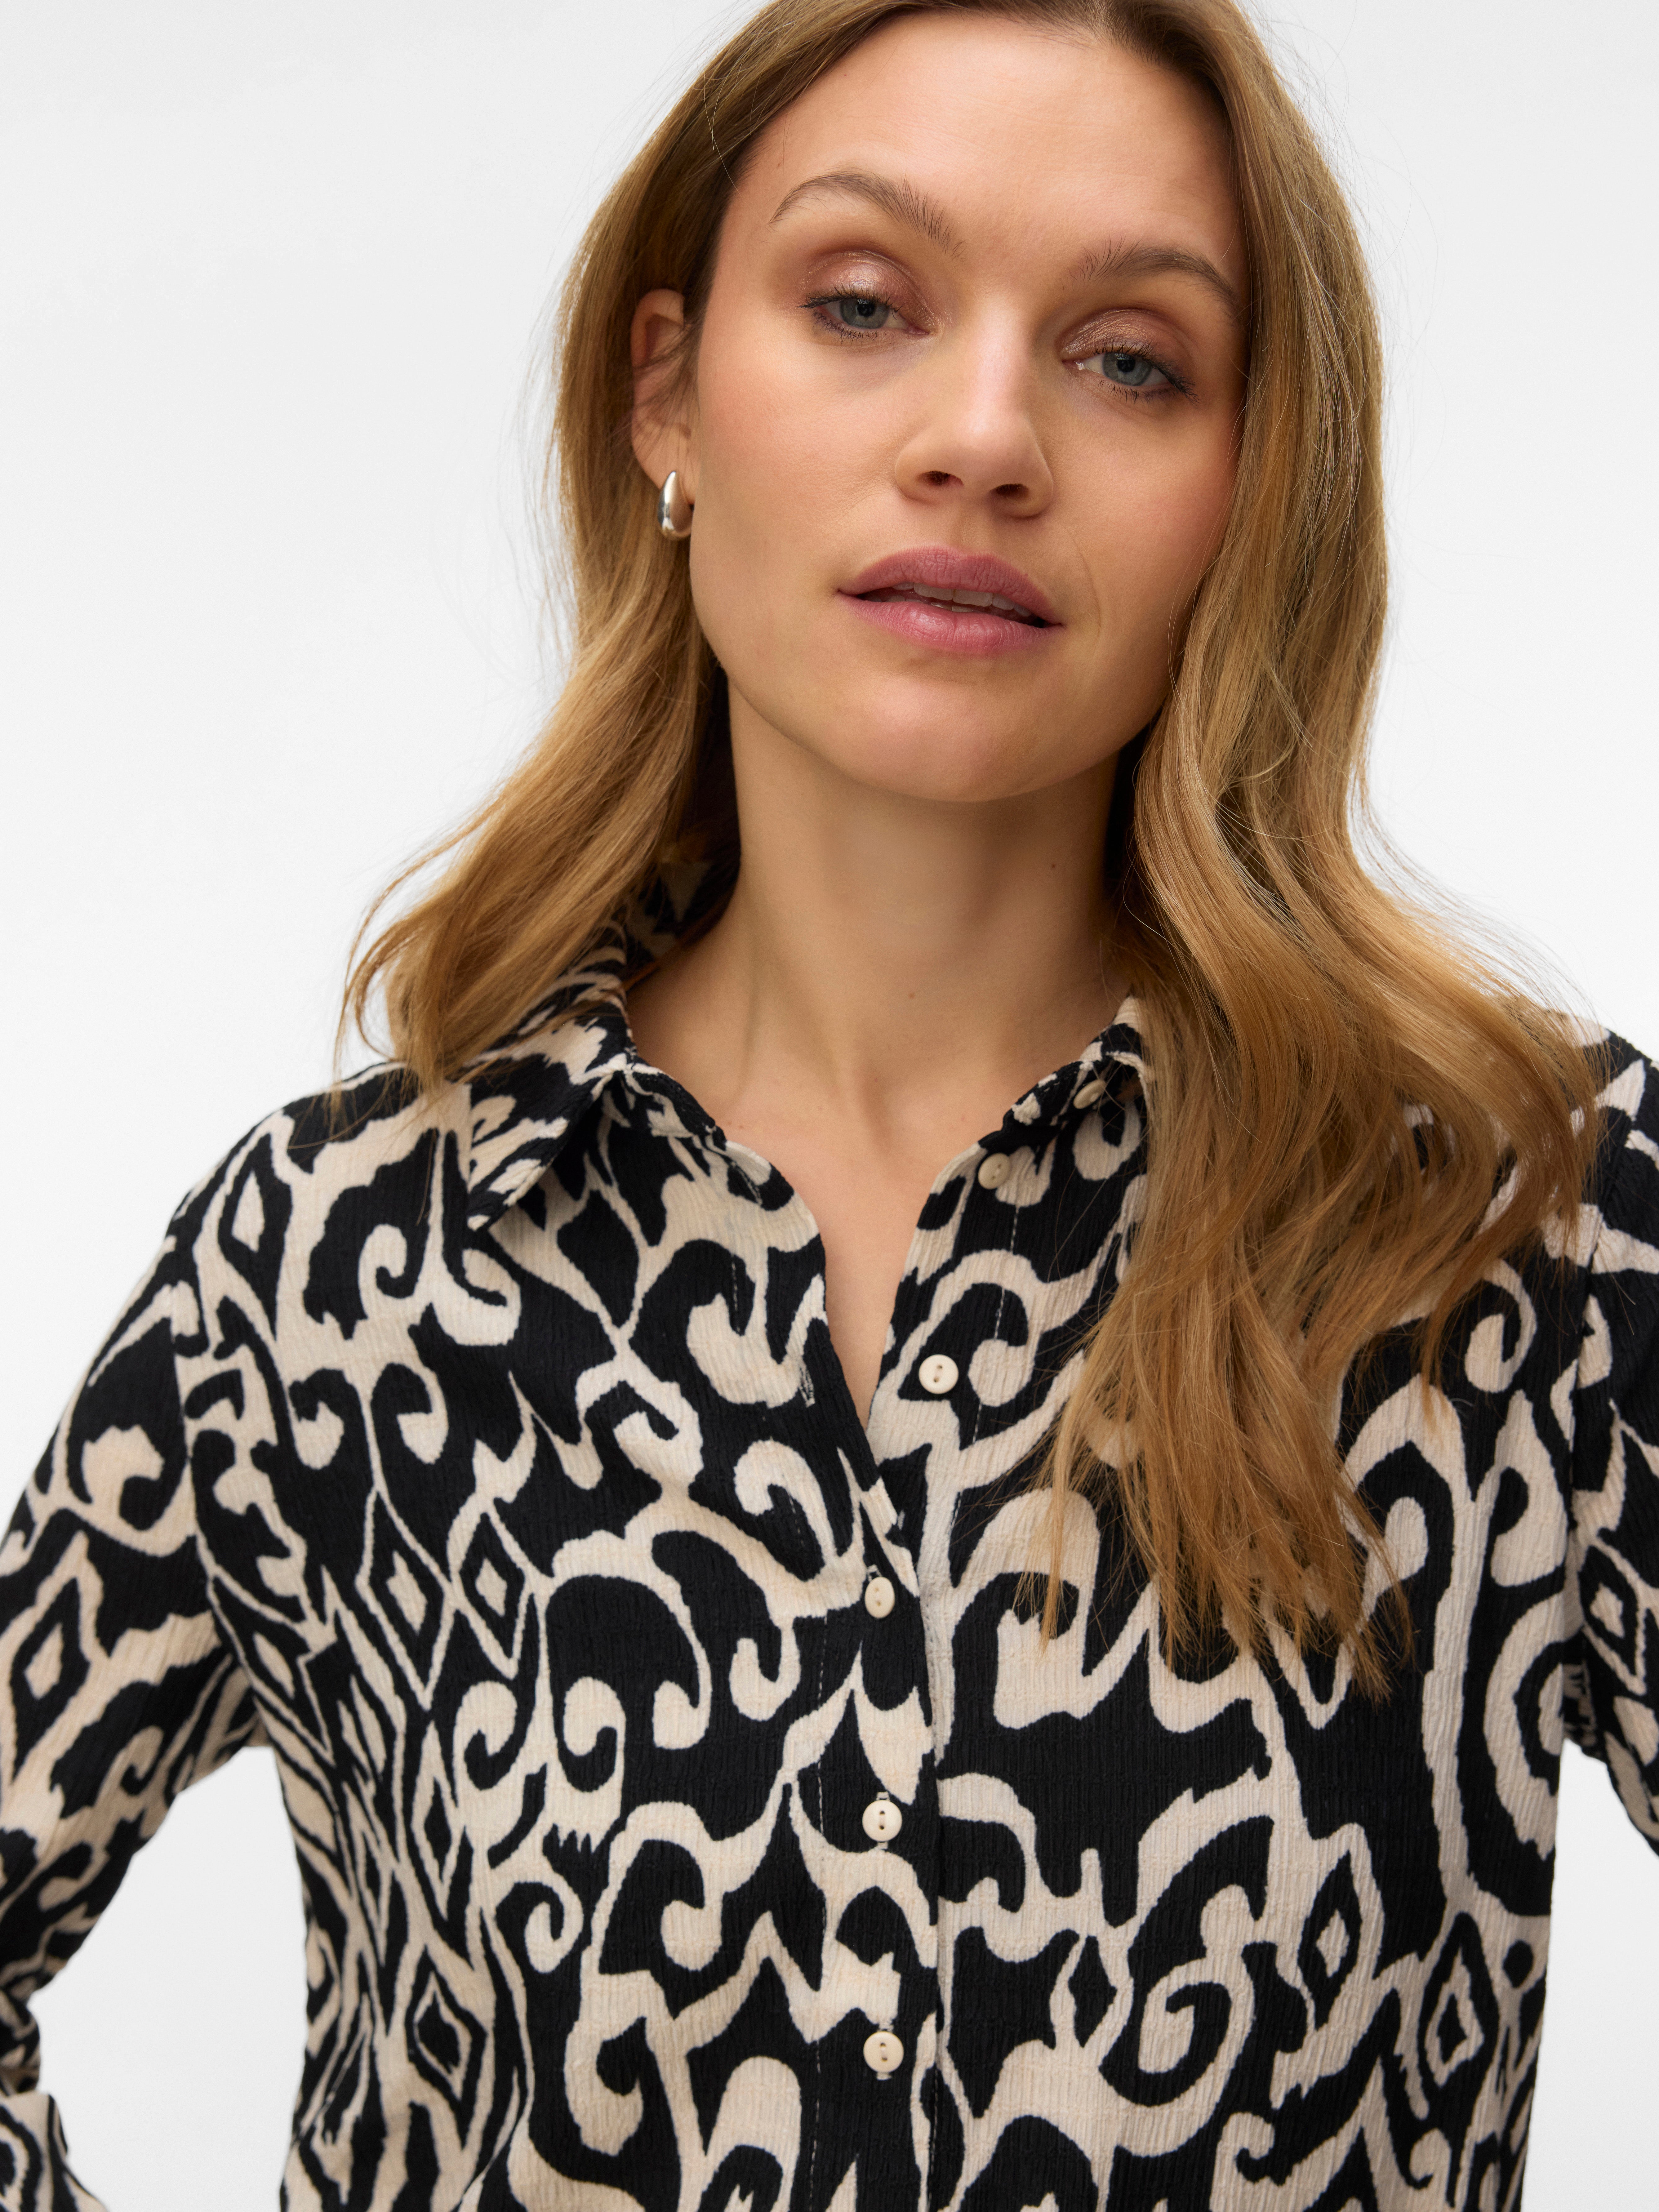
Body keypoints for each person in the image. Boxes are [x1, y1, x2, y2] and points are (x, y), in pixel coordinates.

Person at [1, 0, 1652, 2204]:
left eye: (1130, 358)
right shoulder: (327, 1272)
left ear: (1253, 484)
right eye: (865, 305)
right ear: (668, 390)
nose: (982, 438)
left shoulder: (1520, 1226)